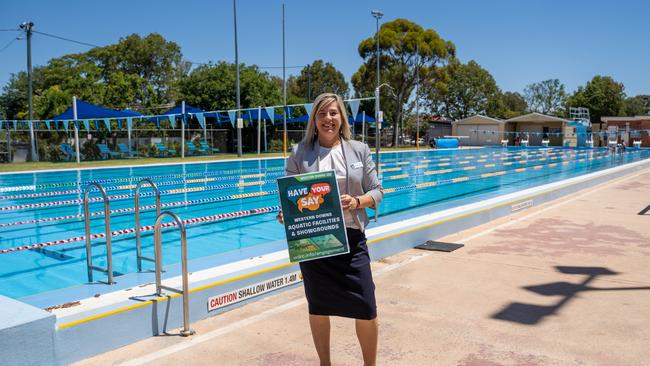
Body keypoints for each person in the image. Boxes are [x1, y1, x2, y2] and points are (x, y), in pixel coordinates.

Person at [276, 93, 383, 366]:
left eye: (333, 113)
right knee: (319, 306)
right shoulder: (300, 152)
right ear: (315, 119)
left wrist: (358, 201)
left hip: (352, 238)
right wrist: (287, 213)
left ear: (342, 118)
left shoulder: (359, 150)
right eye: (322, 113)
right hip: (316, 243)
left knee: (366, 308)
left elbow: (377, 191)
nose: (328, 119)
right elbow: (291, 194)